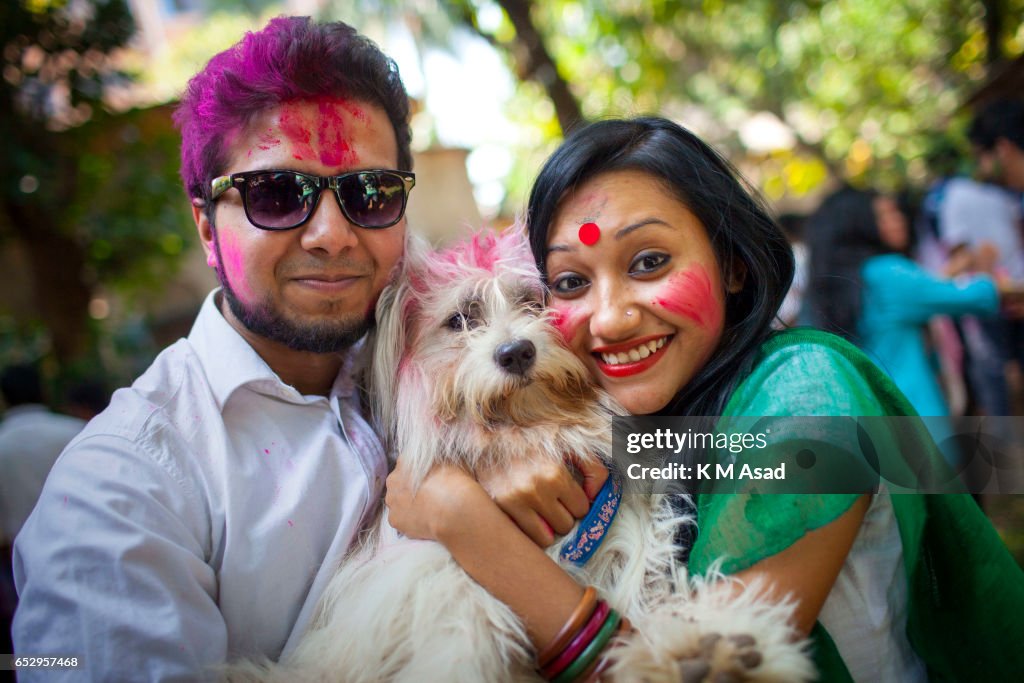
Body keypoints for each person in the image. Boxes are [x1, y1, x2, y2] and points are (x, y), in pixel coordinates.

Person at [385, 117, 1024, 682]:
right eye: (571, 282)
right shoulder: (659, 428)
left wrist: (462, 521)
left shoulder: (809, 394)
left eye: (649, 262)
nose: (607, 319)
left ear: (734, 265)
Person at [11, 16, 432, 680]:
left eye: (369, 193)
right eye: (275, 193)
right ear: (206, 226)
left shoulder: (459, 346)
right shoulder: (121, 490)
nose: (331, 234)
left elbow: (653, 451)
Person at [804, 186, 1003, 442]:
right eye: (885, 215)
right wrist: (985, 268)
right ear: (858, 225)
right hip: (914, 414)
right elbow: (977, 297)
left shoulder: (821, 289)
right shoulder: (886, 272)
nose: (898, 220)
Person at [936, 99, 1024, 417]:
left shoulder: (970, 196)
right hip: (998, 295)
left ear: (1002, 150)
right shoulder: (998, 195)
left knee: (997, 373)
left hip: (998, 294)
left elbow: (958, 255)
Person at [0, 364, 86, 671]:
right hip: (89, 551)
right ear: (43, 390)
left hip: (23, 568)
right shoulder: (78, 431)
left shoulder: (3, 446)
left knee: (39, 649)